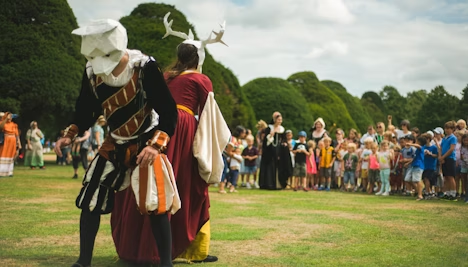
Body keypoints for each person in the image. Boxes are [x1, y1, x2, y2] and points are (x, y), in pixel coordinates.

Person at [54, 19, 179, 267]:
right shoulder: (91, 71)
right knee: (91, 198)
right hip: (113, 144)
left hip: (145, 142)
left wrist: (154, 146)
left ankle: (166, 263)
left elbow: (168, 111)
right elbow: (85, 109)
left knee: (154, 202)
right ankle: (83, 262)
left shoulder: (144, 67)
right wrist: (71, 133)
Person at [111, 14, 231, 264]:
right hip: (182, 130)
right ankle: (190, 250)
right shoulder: (200, 79)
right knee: (185, 184)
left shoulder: (165, 76)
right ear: (198, 59)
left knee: (148, 182)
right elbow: (209, 114)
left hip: (155, 128)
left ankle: (136, 247)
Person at [259, 112, 291, 190]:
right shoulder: (269, 128)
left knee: (279, 166)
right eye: (278, 119)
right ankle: (269, 184)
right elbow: (265, 142)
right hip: (270, 151)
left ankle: (279, 184)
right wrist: (271, 135)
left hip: (279, 150)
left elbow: (284, 140)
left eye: (281, 120)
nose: (280, 121)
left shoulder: (282, 129)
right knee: (270, 166)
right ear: (275, 120)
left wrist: (284, 143)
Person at [436, 121, 458, 201]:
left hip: (450, 158)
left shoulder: (453, 138)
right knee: (446, 176)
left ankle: (453, 193)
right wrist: (440, 157)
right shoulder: (444, 138)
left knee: (451, 177)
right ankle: (448, 193)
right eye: (446, 128)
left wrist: (443, 157)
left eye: (449, 128)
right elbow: (441, 148)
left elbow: (451, 149)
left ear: (452, 129)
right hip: (444, 158)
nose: (447, 130)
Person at [404, 135, 426, 201]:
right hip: (414, 165)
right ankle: (417, 191)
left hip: (419, 166)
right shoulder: (417, 150)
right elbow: (414, 158)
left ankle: (420, 195)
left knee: (417, 180)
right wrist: (408, 163)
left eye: (416, 141)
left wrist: (411, 144)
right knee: (407, 179)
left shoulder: (421, 148)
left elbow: (418, 146)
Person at [0, 112, 21, 177]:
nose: (9, 118)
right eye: (8, 116)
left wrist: (19, 143)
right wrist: (5, 119)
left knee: (11, 155)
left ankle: (9, 172)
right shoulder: (2, 123)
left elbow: (17, 135)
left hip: (13, 141)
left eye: (10, 117)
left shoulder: (14, 125)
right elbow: (1, 127)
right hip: (6, 140)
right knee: (3, 154)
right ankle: (1, 171)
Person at [423, 133, 438, 199]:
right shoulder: (423, 147)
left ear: (428, 139)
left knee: (427, 178)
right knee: (424, 179)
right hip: (424, 165)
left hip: (431, 165)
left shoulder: (434, 147)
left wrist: (430, 154)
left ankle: (427, 192)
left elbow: (436, 155)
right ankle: (429, 191)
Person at [459, 134, 468, 203]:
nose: (466, 142)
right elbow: (461, 156)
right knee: (464, 180)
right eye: (464, 140)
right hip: (464, 165)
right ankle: (465, 194)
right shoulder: (462, 147)